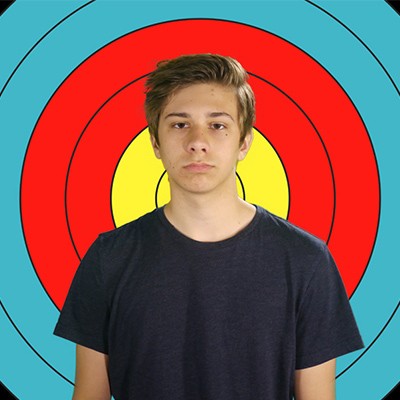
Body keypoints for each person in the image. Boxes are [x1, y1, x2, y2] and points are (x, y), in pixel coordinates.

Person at [54, 54, 364, 400]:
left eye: (217, 125)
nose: (197, 141)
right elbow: (89, 394)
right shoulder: (108, 257)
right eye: (179, 124)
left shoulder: (306, 260)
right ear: (155, 142)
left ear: (243, 142)